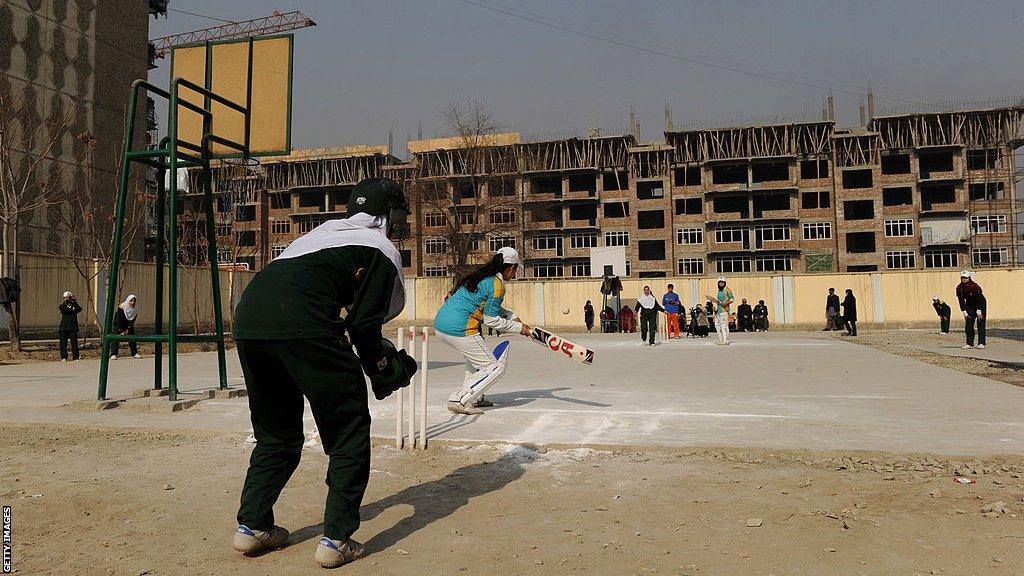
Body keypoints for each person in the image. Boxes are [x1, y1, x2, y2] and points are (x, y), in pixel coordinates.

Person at [230, 177, 416, 568]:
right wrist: (384, 369)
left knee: (275, 435)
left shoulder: (315, 237)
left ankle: (252, 527)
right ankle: (336, 539)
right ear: (386, 218)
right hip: (305, 322)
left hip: (250, 317)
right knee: (348, 430)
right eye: (397, 217)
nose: (398, 225)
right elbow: (365, 327)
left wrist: (374, 360)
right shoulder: (379, 247)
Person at [435, 246, 532, 416]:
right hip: (460, 328)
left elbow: (488, 305)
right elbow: (491, 320)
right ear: (511, 268)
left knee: (475, 361)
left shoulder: (482, 277)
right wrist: (520, 328)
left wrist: (511, 316)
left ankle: (475, 397)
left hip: (441, 325)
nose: (515, 274)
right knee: (493, 368)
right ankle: (461, 399)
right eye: (516, 270)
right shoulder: (497, 285)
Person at [955, 270, 987, 349]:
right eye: (962, 277)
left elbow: (979, 298)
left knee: (980, 323)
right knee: (968, 324)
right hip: (969, 305)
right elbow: (961, 300)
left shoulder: (974, 286)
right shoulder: (959, 288)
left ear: (969, 278)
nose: (964, 279)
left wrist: (979, 310)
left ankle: (981, 343)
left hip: (980, 304)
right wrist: (963, 311)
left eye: (965, 278)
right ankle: (969, 343)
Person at [706, 277, 734, 345]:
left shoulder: (727, 290)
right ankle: (721, 340)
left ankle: (725, 340)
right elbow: (718, 301)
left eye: (722, 282)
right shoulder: (719, 290)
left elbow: (732, 299)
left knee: (723, 325)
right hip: (719, 310)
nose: (721, 283)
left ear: (724, 283)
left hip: (724, 310)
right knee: (717, 325)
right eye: (720, 282)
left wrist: (724, 303)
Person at [111, 294, 140, 359]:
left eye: (134, 301)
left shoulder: (135, 308)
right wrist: (120, 330)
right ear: (128, 301)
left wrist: (128, 328)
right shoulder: (121, 307)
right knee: (115, 339)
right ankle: (113, 354)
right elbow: (118, 319)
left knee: (132, 338)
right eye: (131, 301)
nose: (132, 302)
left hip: (128, 325)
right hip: (118, 324)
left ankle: (134, 353)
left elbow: (133, 319)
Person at [58, 290, 82, 362]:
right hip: (64, 327)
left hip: (72, 326)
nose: (66, 299)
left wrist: (74, 301)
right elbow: (63, 308)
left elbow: (79, 309)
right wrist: (72, 308)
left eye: (67, 297)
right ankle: (64, 357)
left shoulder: (74, 304)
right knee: (63, 343)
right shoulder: (63, 305)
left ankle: (75, 357)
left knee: (74, 342)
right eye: (64, 297)